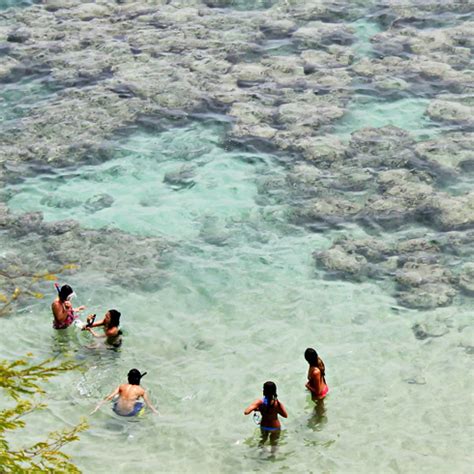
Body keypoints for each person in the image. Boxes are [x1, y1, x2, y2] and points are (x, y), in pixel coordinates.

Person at [91, 369, 158, 416]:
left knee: (117, 397)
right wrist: (156, 412)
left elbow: (110, 397)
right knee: (142, 404)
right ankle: (139, 416)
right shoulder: (141, 390)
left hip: (116, 411)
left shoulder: (121, 386)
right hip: (130, 414)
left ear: (128, 378)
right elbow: (149, 405)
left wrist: (98, 406)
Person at [244, 381, 288, 452]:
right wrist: (275, 410)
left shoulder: (260, 402)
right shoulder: (278, 403)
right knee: (274, 445)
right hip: (275, 427)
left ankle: (261, 455)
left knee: (262, 442)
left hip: (264, 426)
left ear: (264, 391)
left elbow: (246, 412)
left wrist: (257, 409)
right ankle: (272, 457)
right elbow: (285, 415)